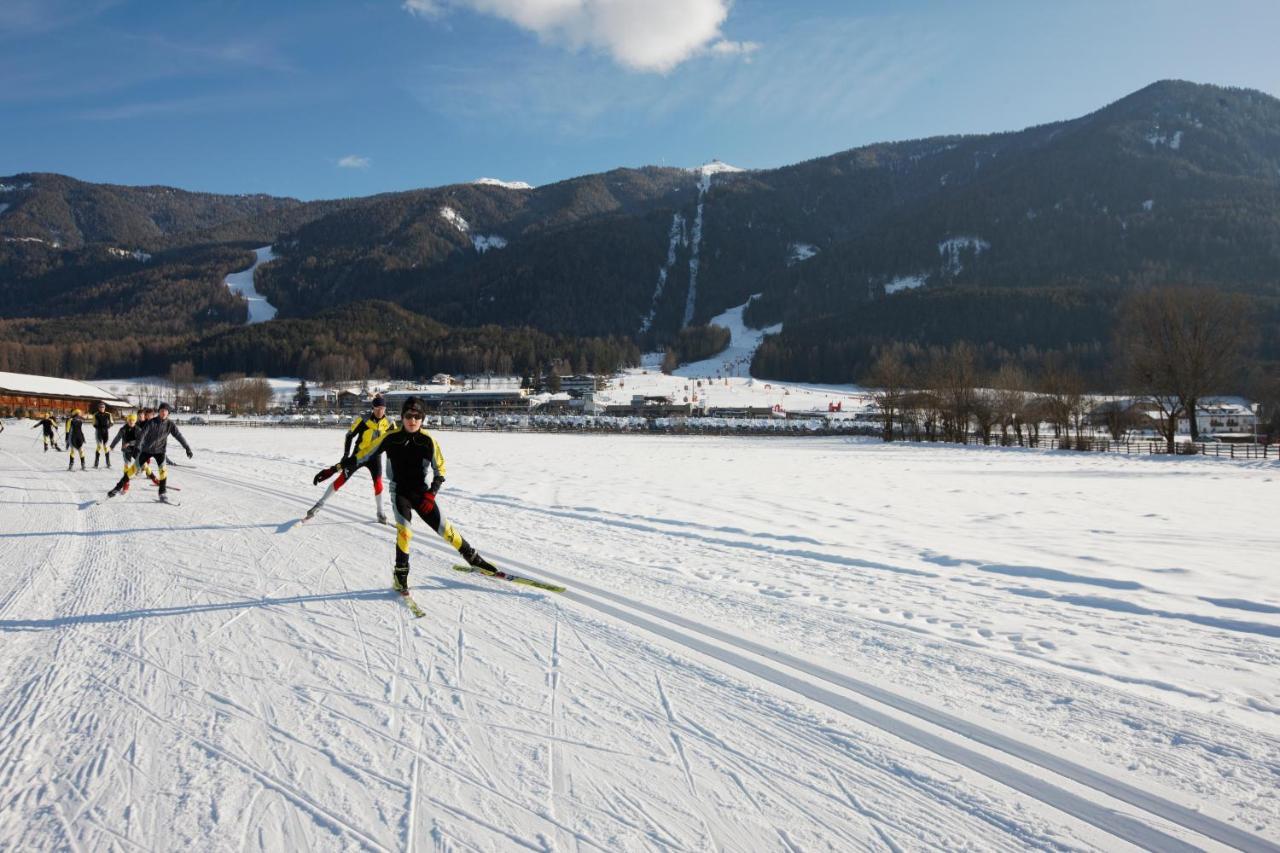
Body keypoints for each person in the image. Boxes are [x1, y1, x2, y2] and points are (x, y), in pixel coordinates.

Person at [342, 396, 494, 593]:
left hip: (422, 494)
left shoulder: (428, 441)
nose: (412, 420)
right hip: (400, 493)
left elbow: (440, 470)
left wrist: (432, 494)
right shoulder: (391, 437)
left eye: (417, 416)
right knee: (405, 532)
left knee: (447, 531)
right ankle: (400, 575)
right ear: (402, 417)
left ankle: (474, 559)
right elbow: (365, 453)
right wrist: (340, 465)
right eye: (408, 416)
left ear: (422, 418)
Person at [306, 395, 393, 523]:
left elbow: (394, 441)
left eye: (382, 408)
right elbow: (349, 436)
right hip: (358, 456)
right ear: (372, 408)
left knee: (378, 483)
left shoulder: (390, 423)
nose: (380, 411)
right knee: (342, 479)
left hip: (375, 457)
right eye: (377, 408)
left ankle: (380, 513)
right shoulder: (363, 419)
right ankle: (319, 504)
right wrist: (346, 455)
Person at [107, 402, 192, 500]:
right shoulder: (151, 422)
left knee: (163, 471)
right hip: (146, 450)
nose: (163, 412)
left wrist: (187, 448)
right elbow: (142, 434)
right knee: (132, 470)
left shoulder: (170, 424)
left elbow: (179, 436)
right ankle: (117, 488)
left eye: (165, 411)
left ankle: (162, 493)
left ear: (168, 413)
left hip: (160, 451)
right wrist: (138, 446)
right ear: (159, 412)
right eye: (161, 410)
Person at [92, 401, 114, 469]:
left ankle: (108, 463)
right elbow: (93, 423)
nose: (102, 408)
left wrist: (108, 426)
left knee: (106, 447)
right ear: (98, 408)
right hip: (98, 432)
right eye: (100, 407)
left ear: (105, 408)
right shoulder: (95, 414)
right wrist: (98, 426)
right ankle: (96, 463)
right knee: (99, 447)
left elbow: (112, 422)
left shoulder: (108, 414)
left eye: (103, 407)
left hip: (106, 432)